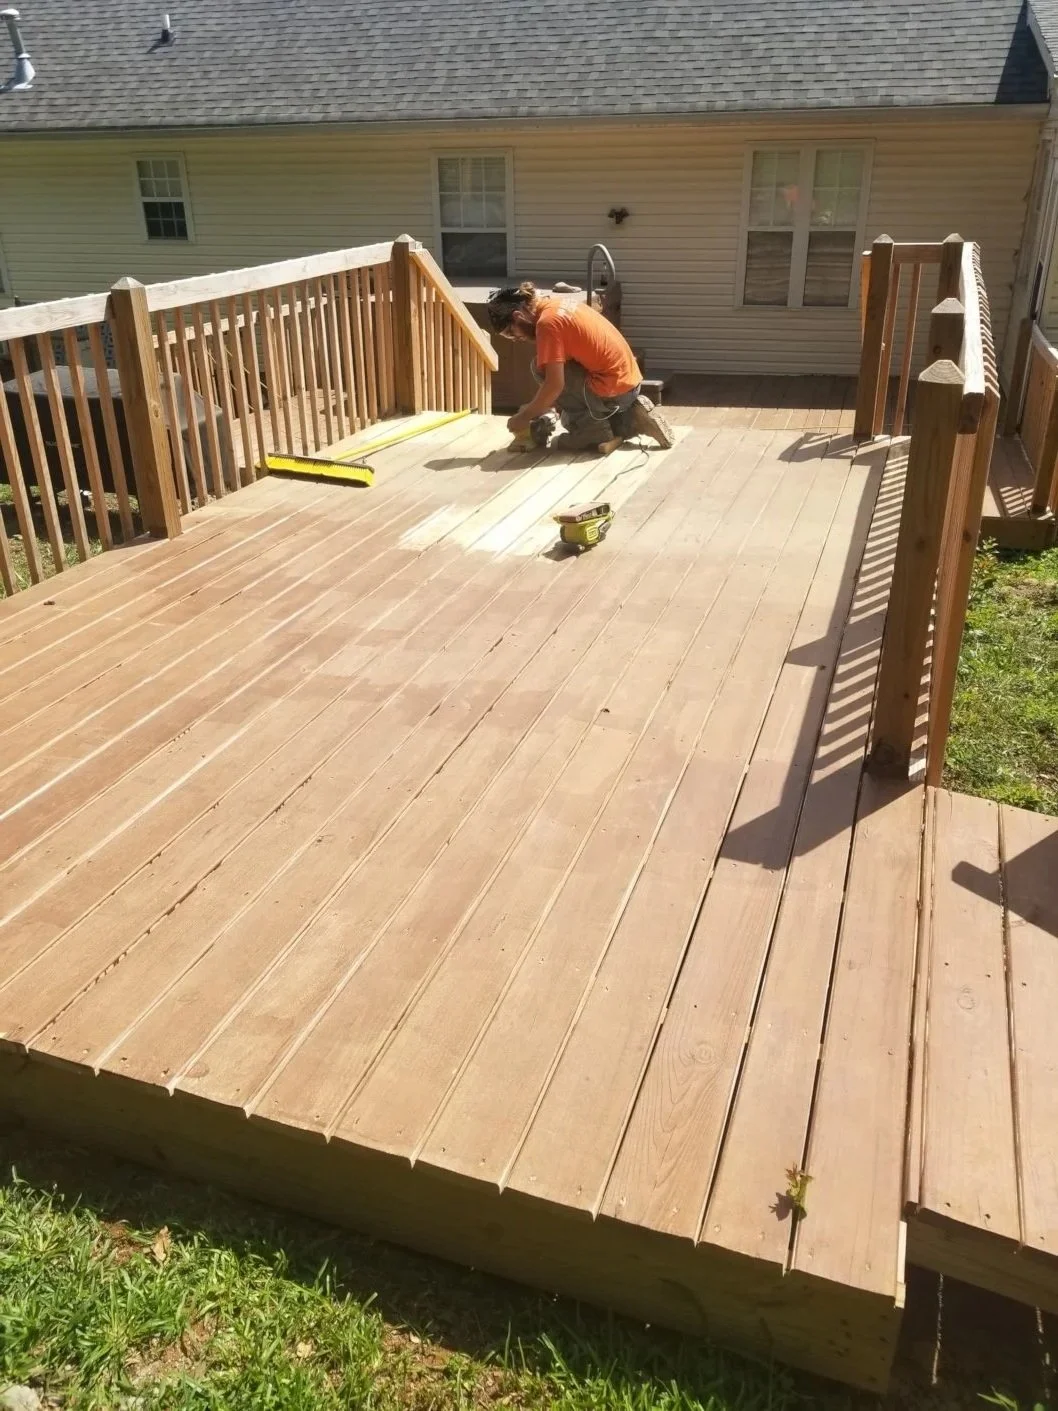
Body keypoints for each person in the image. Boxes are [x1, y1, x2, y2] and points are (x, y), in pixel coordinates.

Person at [485, 282, 674, 455]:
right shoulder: (556, 305)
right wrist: (545, 407)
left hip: (613, 389)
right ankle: (630, 419)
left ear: (518, 316)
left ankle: (592, 431)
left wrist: (524, 417)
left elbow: (554, 385)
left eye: (511, 333)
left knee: (540, 370)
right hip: (628, 384)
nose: (517, 339)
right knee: (557, 392)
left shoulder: (547, 324)